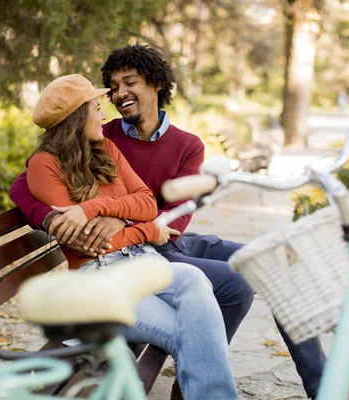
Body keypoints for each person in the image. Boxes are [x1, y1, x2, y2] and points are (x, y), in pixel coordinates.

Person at [10, 45, 325, 399]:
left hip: (164, 240)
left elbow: (171, 214)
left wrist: (110, 217)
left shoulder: (185, 145)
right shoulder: (105, 135)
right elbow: (24, 184)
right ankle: (198, 386)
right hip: (136, 250)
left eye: (129, 83)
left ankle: (324, 387)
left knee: (270, 263)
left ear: (156, 85)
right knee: (231, 287)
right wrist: (52, 218)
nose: (118, 95)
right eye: (112, 88)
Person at [24, 73, 238, 399]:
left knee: (195, 280)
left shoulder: (106, 148)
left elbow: (147, 202)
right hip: (98, 278)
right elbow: (88, 241)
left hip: (141, 259)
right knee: (192, 334)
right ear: (76, 117)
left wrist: (97, 208)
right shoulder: (44, 165)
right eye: (96, 108)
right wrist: (146, 229)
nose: (103, 115)